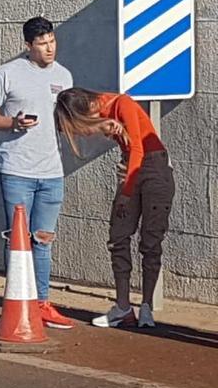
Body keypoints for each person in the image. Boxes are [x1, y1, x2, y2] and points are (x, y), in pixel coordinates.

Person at [0, 16, 75, 329]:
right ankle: (18, 300)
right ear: (28, 46)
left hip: (51, 172)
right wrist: (13, 123)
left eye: (52, 41)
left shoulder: (64, 76)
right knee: (17, 240)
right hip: (17, 170)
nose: (49, 48)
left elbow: (68, 120)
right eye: (42, 44)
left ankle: (43, 303)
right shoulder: (9, 73)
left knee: (43, 239)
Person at [55, 87, 175, 328]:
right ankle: (123, 306)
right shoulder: (107, 113)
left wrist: (127, 193)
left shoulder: (122, 104)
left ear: (87, 109)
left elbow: (139, 148)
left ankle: (147, 305)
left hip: (153, 167)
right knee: (118, 236)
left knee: (150, 240)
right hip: (133, 166)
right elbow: (131, 150)